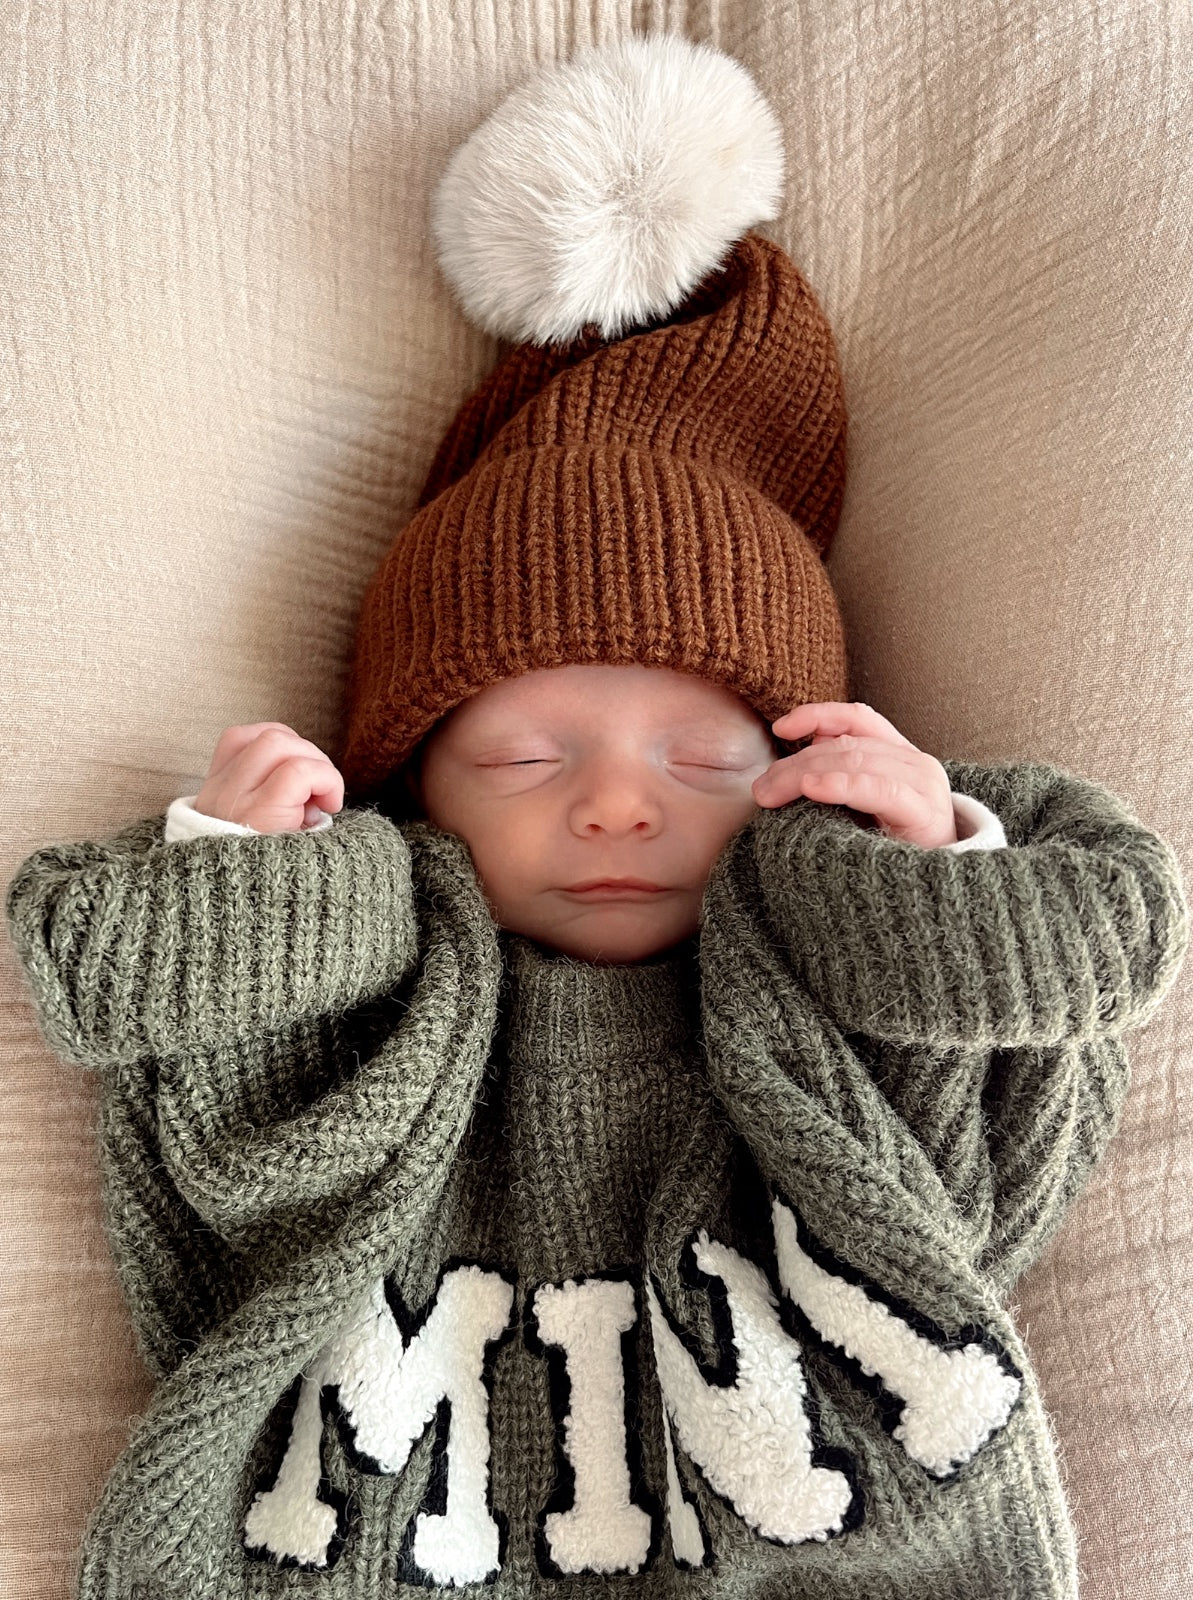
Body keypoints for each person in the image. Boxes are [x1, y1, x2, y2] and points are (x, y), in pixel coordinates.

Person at [5, 32, 1188, 1600]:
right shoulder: (391, 968)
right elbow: (226, 1169)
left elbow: (1018, 1095)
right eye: (520, 759)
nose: (618, 803)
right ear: (410, 779)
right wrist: (255, 884)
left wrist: (923, 863)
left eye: (704, 762)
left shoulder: (821, 965)